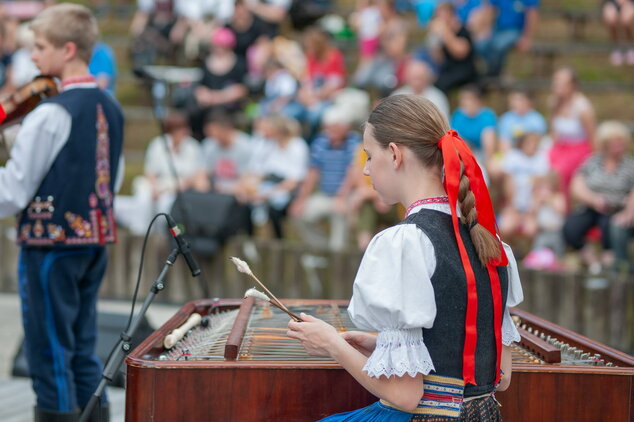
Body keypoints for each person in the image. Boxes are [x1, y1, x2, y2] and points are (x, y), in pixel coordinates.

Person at [287, 95, 522, 420]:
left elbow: (404, 395)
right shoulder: (489, 240)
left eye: (370, 156)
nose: (366, 170)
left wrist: (331, 344)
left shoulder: (403, 243)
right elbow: (501, 376)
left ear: (395, 154)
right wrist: (381, 347)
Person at [0, 4, 124, 421]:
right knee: (82, 346)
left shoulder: (50, 112)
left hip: (49, 246)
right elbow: (112, 181)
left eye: (39, 47)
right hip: (94, 243)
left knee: (48, 349)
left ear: (67, 49)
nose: (33, 57)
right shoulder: (111, 106)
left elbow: (14, 192)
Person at [115, 111, 203, 236]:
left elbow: (195, 176)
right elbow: (150, 172)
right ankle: (141, 233)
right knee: (144, 197)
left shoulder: (192, 147)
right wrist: (155, 189)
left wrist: (173, 189)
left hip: (179, 189)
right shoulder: (158, 144)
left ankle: (162, 236)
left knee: (165, 206)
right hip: (158, 185)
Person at [563, 120, 634, 274]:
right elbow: (577, 185)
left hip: (616, 209)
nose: (618, 146)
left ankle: (611, 265)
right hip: (592, 207)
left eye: (621, 142)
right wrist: (594, 199)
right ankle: (593, 262)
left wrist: (628, 211)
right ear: (605, 144)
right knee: (570, 228)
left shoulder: (629, 164)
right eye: (614, 143)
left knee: (609, 226)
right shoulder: (593, 161)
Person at [289, 107, 361, 251]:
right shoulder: (321, 141)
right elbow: (312, 172)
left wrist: (342, 196)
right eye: (328, 128)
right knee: (299, 214)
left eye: (334, 129)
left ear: (345, 127)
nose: (330, 132)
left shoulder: (354, 142)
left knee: (340, 213)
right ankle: (322, 249)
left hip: (347, 196)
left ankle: (337, 254)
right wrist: (301, 199)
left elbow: (353, 172)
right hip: (324, 195)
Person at [548, 67, 596, 201]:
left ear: (573, 85)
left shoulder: (582, 107)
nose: (557, 85)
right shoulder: (554, 102)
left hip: (580, 149)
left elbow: (593, 136)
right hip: (560, 147)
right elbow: (554, 131)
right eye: (556, 82)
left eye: (562, 82)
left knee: (559, 171)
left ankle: (564, 206)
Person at [475, 0, 539, 77]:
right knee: (481, 45)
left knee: (498, 45)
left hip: (515, 31)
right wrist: (485, 29)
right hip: (497, 30)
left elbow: (532, 16)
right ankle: (496, 72)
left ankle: (494, 74)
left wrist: (527, 38)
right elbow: (490, 10)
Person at [427, 2, 479, 94]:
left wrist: (445, 32)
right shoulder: (442, 36)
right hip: (448, 71)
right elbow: (439, 60)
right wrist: (434, 41)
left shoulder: (462, 30)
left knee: (441, 85)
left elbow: (460, 52)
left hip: (465, 72)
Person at [602, 0, 634, 66]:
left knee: (626, 21)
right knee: (611, 20)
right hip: (611, 2)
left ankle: (630, 47)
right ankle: (616, 48)